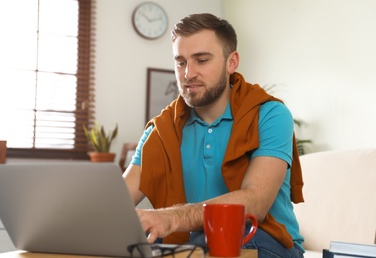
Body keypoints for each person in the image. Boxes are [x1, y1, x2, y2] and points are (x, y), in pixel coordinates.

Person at [123, 13, 305, 258]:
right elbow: (118, 204)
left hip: (265, 242)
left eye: (201, 60)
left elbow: (255, 203)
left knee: (225, 238)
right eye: (180, 62)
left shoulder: (270, 115)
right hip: (197, 247)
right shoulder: (160, 131)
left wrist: (170, 218)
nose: (188, 74)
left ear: (232, 62)